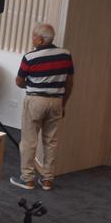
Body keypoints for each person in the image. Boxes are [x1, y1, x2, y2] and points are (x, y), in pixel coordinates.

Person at [10, 23, 75, 191]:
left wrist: (33, 86)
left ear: (39, 39)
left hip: (35, 101)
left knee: (29, 141)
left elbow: (19, 81)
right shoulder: (65, 55)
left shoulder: (30, 57)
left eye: (33, 36)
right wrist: (63, 103)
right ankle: (47, 180)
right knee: (51, 141)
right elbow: (69, 82)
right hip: (56, 102)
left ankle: (28, 179)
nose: (32, 39)